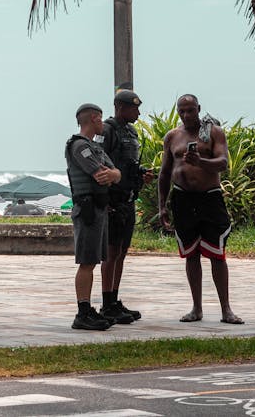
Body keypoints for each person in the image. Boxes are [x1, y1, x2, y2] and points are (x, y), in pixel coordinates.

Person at [158, 94, 243, 324]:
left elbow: (223, 163)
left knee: (217, 254)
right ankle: (196, 308)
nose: (186, 115)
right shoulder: (172, 137)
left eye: (190, 110)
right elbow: (165, 173)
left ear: (199, 109)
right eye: (182, 111)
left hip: (209, 198)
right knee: (191, 254)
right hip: (182, 199)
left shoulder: (213, 132)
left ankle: (226, 309)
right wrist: (162, 206)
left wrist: (200, 162)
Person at [99, 89, 155, 324]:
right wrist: (106, 200)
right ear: (120, 107)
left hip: (128, 198)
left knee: (121, 252)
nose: (138, 113)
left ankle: (114, 299)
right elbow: (99, 163)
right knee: (111, 253)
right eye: (135, 108)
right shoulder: (108, 130)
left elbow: (129, 164)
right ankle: (106, 303)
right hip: (113, 200)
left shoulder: (131, 132)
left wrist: (141, 176)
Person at [65, 102, 122, 331]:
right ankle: (82, 311)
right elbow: (100, 174)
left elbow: (115, 173)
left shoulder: (95, 147)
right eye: (101, 120)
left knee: (95, 260)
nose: (103, 124)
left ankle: (87, 309)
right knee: (87, 262)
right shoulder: (79, 146)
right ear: (95, 118)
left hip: (99, 209)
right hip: (87, 210)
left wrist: (114, 174)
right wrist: (111, 174)